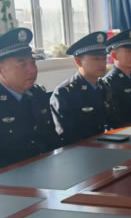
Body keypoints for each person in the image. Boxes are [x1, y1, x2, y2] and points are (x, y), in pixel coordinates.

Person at [0, 28, 59, 168]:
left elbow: (53, 141)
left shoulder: (38, 95)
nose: (32, 69)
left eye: (33, 62)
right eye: (22, 64)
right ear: (1, 70)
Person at [50, 31, 112, 146]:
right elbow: (67, 136)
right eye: (96, 59)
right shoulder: (65, 93)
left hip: (106, 145)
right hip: (81, 150)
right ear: (78, 61)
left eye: (104, 58)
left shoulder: (103, 86)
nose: (102, 63)